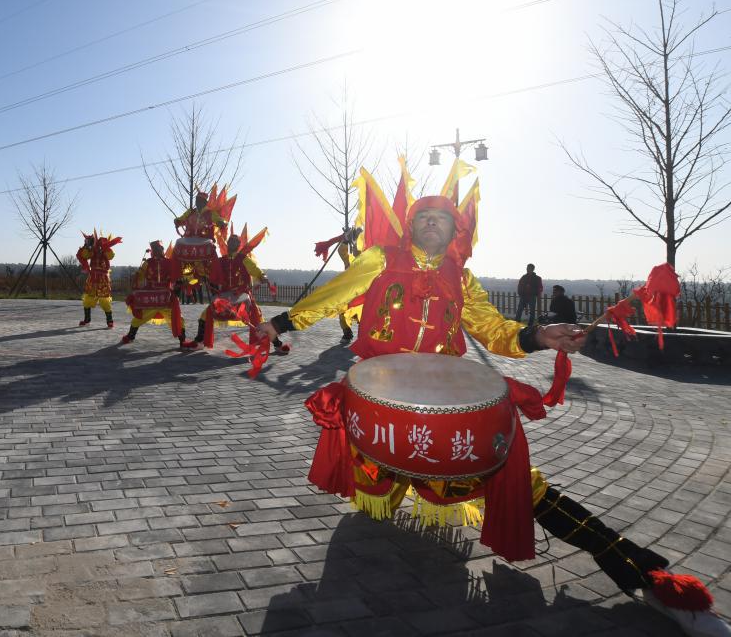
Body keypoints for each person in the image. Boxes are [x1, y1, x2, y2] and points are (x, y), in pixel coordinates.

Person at [258, 195, 726, 635]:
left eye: (441, 218)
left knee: (523, 481)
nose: (432, 223)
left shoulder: (462, 279)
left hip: (445, 412)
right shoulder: (379, 259)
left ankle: (650, 577)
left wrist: (540, 336)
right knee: (370, 497)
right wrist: (274, 325)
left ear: (454, 231)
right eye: (423, 216)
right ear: (411, 227)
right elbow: (331, 296)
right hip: (379, 408)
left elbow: (494, 329)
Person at [185, 233, 287, 354]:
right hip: (224, 297)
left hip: (241, 295)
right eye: (230, 242)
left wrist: (262, 275)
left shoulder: (243, 259)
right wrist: (200, 269)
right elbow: (209, 271)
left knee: (257, 319)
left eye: (235, 242)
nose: (231, 244)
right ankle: (200, 342)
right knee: (205, 315)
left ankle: (277, 344)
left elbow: (255, 269)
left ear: (238, 245)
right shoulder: (221, 261)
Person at [121, 240, 184, 346]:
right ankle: (131, 336)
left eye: (159, 249)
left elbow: (176, 275)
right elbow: (140, 275)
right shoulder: (148, 263)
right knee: (140, 317)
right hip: (151, 296)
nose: (157, 251)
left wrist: (178, 282)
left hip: (165, 297)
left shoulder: (169, 262)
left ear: (162, 250)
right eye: (155, 249)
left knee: (177, 318)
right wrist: (136, 276)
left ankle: (183, 340)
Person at [77, 233, 118, 328]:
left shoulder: (106, 253)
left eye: (102, 244)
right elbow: (84, 255)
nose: (100, 247)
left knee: (104, 300)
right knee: (88, 299)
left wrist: (106, 248)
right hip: (92, 277)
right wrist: (87, 245)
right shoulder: (93, 251)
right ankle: (87, 320)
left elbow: (111, 256)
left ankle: (110, 321)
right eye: (99, 244)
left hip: (103, 278)